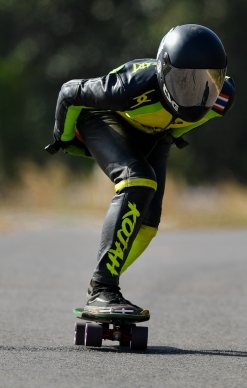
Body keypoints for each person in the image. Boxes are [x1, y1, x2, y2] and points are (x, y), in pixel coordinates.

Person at [45, 24, 236, 318]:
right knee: (139, 181)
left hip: (157, 133)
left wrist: (168, 135)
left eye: (207, 82)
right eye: (183, 81)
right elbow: (70, 93)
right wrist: (67, 142)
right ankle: (103, 290)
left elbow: (183, 120)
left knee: (148, 222)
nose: (196, 92)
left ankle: (100, 283)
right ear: (162, 72)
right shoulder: (129, 87)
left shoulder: (223, 98)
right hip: (102, 116)